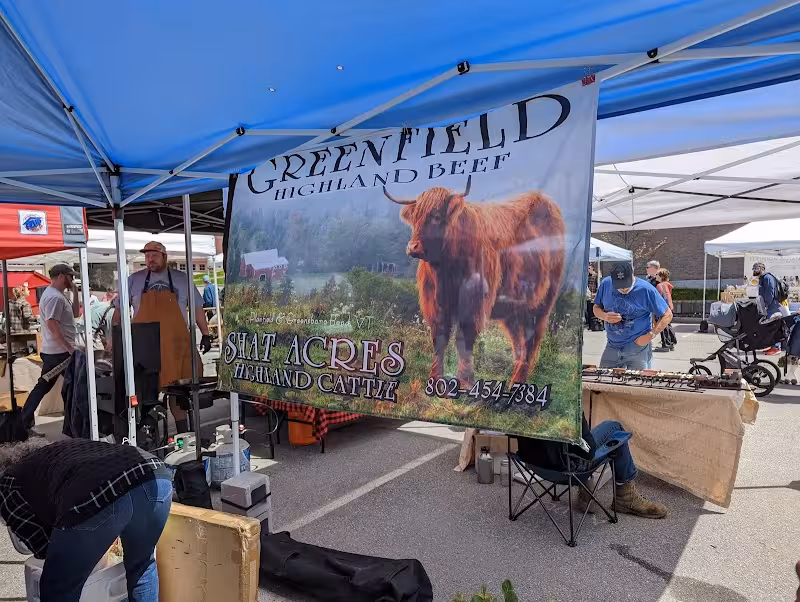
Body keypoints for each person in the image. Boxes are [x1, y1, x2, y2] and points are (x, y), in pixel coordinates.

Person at [0, 438, 171, 601]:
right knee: (142, 566)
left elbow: (42, 546)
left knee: (58, 586)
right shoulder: (59, 452)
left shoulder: (7, 482)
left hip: (103, 492)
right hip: (157, 475)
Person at [114, 241, 211, 434]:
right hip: (145, 347)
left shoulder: (182, 279)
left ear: (165, 256)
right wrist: (114, 338)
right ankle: (147, 436)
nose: (150, 259)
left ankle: (185, 436)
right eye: (147, 255)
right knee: (146, 395)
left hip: (175, 347)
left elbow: (198, 309)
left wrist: (206, 334)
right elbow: (119, 312)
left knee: (178, 394)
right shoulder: (133, 280)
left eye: (155, 255)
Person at [516, 414, 667, 519]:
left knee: (568, 443)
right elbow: (588, 452)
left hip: (535, 464)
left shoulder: (524, 396)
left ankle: (587, 490)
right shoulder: (568, 398)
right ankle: (625, 496)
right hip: (571, 469)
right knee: (614, 428)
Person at [22, 265, 80, 431]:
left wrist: (75, 291)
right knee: (73, 386)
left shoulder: (59, 295)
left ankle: (24, 420)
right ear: (61, 276)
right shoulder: (55, 297)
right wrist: (69, 348)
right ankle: (24, 420)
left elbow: (76, 313)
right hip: (59, 353)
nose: (72, 280)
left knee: (51, 386)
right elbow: (52, 325)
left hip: (57, 352)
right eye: (70, 276)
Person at [593, 262, 673, 369]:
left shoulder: (646, 290)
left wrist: (651, 335)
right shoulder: (605, 284)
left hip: (637, 347)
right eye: (620, 287)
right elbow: (596, 307)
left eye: (626, 286)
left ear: (632, 275)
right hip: (612, 345)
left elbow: (667, 314)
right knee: (604, 380)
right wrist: (605, 316)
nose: (623, 290)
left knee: (637, 382)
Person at [752, 262, 783, 355]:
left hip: (771, 307)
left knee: (773, 327)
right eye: (753, 268)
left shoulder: (767, 278)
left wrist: (765, 306)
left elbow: (770, 293)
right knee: (770, 327)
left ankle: (776, 348)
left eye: (756, 268)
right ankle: (773, 346)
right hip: (769, 306)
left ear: (762, 269)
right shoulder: (763, 278)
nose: (754, 270)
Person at [654, 268, 677, 352]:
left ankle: (666, 345)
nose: (655, 276)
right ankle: (671, 343)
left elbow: (662, 297)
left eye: (657, 274)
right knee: (668, 326)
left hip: (663, 309)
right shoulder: (666, 284)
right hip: (669, 308)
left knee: (663, 326)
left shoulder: (660, 285)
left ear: (661, 276)